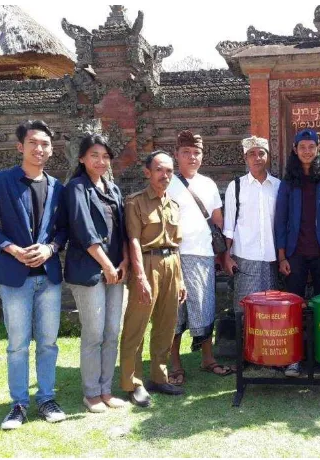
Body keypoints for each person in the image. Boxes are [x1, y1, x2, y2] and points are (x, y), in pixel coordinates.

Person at [0, 120, 67, 429]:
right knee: (17, 343)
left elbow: (63, 230)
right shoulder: (0, 182)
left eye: (45, 144)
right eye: (33, 143)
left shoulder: (58, 187)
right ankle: (18, 403)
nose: (39, 149)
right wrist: (11, 248)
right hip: (14, 276)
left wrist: (51, 249)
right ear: (20, 147)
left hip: (49, 277)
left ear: (51, 150)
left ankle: (46, 397)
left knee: (48, 342)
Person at [62, 134, 129, 413]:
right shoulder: (76, 188)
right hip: (90, 271)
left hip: (116, 270)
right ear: (82, 159)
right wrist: (106, 265)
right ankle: (90, 393)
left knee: (113, 331)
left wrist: (124, 262)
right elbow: (84, 231)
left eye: (105, 156)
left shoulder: (113, 189)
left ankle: (105, 389)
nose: (100, 161)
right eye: (94, 156)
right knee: (94, 332)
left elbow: (125, 229)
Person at [274, 128, 320, 377]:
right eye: (302, 146)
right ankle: (292, 358)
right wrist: (282, 256)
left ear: (318, 149)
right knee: (293, 306)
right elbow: (280, 221)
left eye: (311, 147)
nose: (307, 151)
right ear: (295, 149)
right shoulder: (288, 183)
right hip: (294, 254)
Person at [119, 152, 187, 407]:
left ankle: (160, 377)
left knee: (166, 326)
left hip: (171, 265)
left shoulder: (174, 204)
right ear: (147, 172)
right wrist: (139, 277)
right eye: (160, 170)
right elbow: (133, 240)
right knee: (136, 325)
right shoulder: (135, 202)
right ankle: (133, 383)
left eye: (169, 171)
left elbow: (175, 245)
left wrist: (180, 280)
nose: (165, 175)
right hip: (146, 265)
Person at [167, 130, 234, 386]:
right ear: (177, 155)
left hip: (204, 256)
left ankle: (208, 358)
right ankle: (175, 364)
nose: (192, 157)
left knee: (205, 308)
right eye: (186, 153)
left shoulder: (208, 184)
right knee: (175, 312)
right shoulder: (168, 182)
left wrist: (223, 254)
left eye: (196, 153)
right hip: (174, 256)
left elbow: (217, 220)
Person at [223, 136, 280, 310]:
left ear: (267, 156)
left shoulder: (278, 186)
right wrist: (227, 256)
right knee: (245, 310)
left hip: (272, 258)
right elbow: (229, 226)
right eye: (252, 154)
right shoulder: (236, 186)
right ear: (245, 158)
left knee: (270, 310)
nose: (257, 158)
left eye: (261, 153)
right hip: (245, 257)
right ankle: (244, 338)